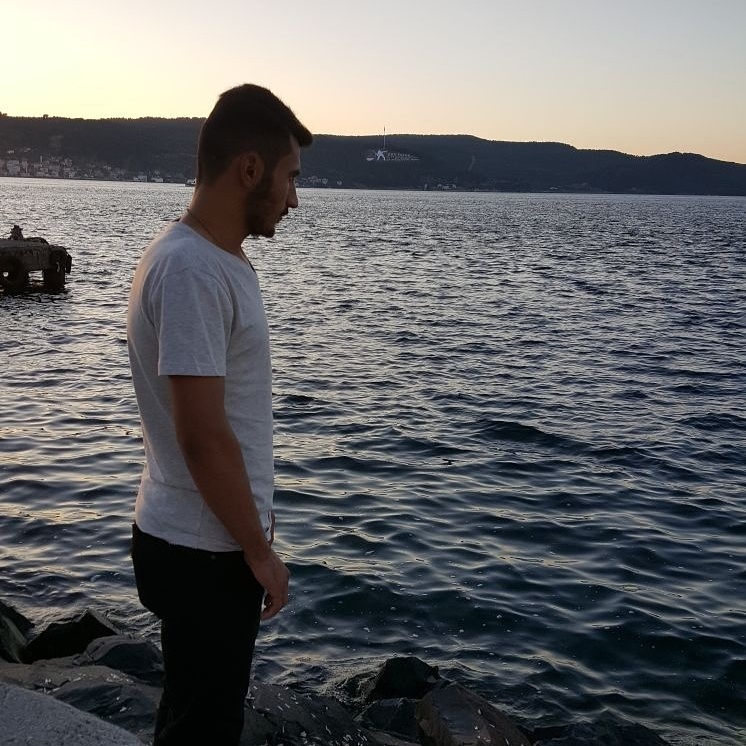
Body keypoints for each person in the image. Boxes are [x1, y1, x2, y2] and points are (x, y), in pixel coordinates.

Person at [127, 84, 312, 746]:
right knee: (205, 728)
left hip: (196, 539)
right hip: (203, 551)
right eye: (291, 177)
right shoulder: (193, 270)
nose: (294, 198)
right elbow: (203, 434)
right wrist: (259, 553)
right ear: (250, 169)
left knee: (189, 713)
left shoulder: (209, 258)